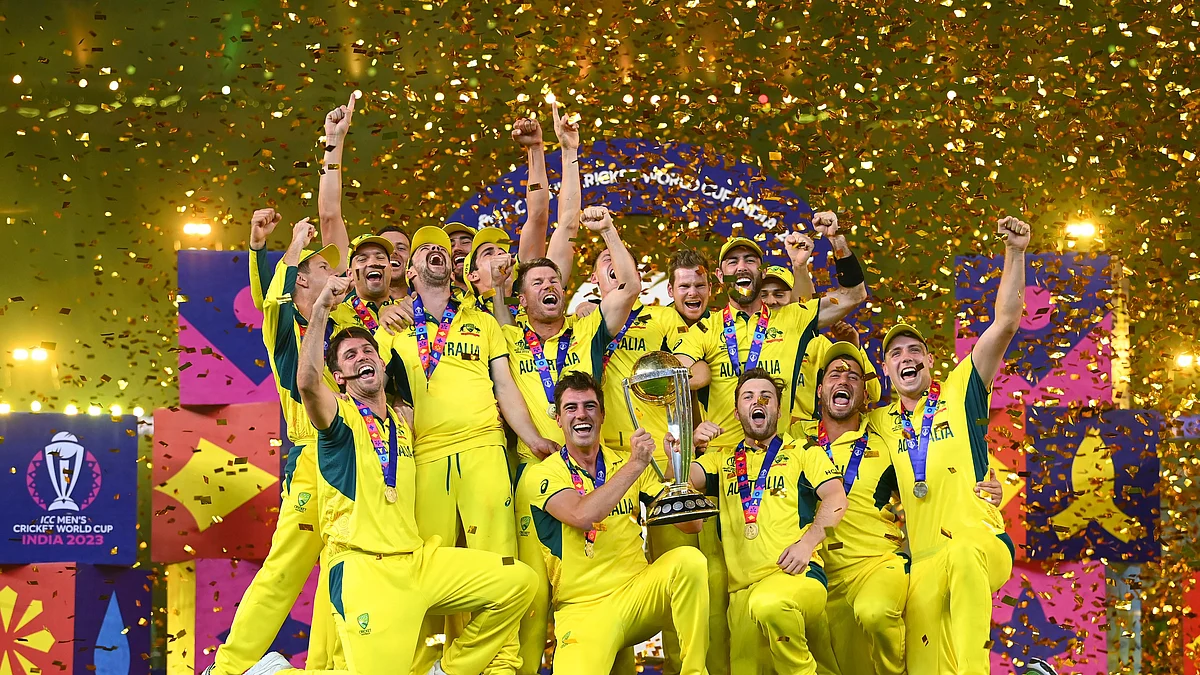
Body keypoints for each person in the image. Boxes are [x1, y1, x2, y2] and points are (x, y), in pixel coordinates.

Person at [264, 273, 536, 675]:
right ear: (338, 377)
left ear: (384, 364)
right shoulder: (338, 420)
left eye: (368, 351)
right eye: (350, 356)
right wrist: (321, 308)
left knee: (520, 583)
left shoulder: (401, 423)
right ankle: (278, 672)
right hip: (366, 571)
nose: (363, 358)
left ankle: (449, 670)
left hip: (417, 564)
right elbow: (306, 383)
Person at [382, 225, 555, 672]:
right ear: (411, 270)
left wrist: (533, 437)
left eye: (442, 248)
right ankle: (419, 667)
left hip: (484, 447)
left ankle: (499, 666)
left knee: (497, 562)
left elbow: (505, 386)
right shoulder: (392, 323)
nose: (436, 251)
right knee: (423, 569)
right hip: (423, 456)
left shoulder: (481, 322)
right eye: (425, 250)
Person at [873, 216, 1031, 675]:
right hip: (922, 563)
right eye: (896, 354)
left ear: (930, 360)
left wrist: (1016, 252)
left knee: (963, 554)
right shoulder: (880, 423)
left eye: (914, 351)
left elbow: (1006, 322)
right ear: (885, 370)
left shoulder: (961, 389)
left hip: (979, 541)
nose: (906, 358)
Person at [489, 205, 641, 675]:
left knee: (607, 580)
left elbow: (630, 288)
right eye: (537, 283)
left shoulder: (588, 328)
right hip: (535, 477)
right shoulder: (507, 338)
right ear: (521, 300)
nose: (550, 287)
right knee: (535, 595)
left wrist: (610, 230)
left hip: (590, 470)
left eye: (555, 281)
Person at [203, 212, 343, 675]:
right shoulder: (285, 332)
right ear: (301, 279)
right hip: (311, 459)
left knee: (344, 569)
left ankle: (329, 667)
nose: (334, 272)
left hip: (352, 457)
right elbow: (273, 297)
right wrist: (268, 252)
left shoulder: (341, 333)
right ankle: (227, 667)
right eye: (323, 267)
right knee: (284, 570)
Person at [525, 372, 710, 674]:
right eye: (571, 408)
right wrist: (636, 464)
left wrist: (679, 468)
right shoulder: (544, 473)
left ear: (603, 414)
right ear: (558, 418)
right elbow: (583, 516)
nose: (581, 415)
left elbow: (692, 526)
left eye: (589, 406)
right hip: (584, 608)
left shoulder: (625, 462)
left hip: (638, 594)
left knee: (689, 560)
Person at [678, 367, 848, 675]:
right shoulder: (721, 459)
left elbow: (837, 499)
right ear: (737, 410)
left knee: (770, 604)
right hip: (741, 593)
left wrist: (807, 544)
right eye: (749, 397)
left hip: (797, 577)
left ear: (778, 409)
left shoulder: (802, 451)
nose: (758, 402)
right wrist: (684, 447)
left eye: (766, 397)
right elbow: (682, 480)